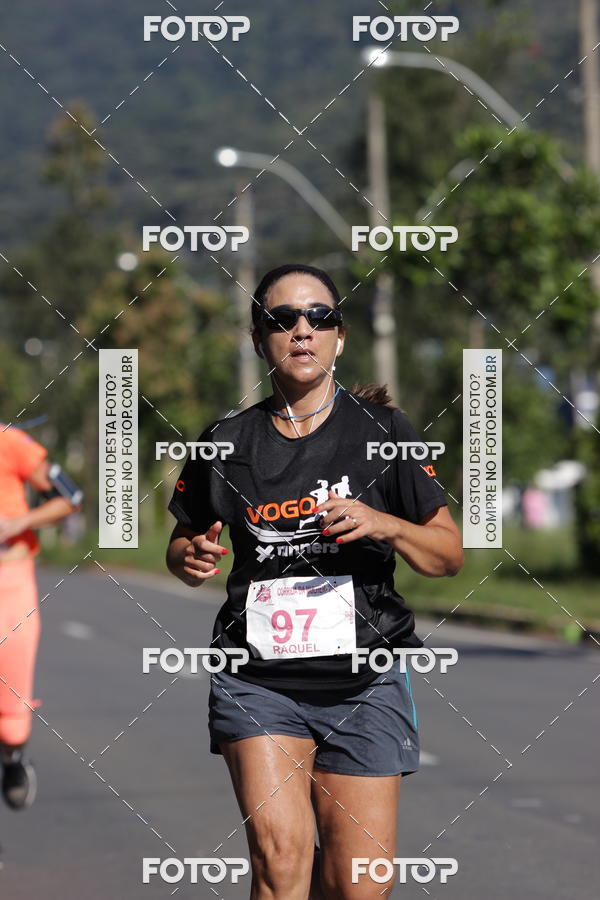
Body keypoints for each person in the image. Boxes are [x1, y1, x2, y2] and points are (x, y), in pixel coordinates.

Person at [166, 263, 464, 899]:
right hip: (259, 679)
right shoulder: (225, 441)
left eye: (319, 317)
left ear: (339, 337)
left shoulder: (385, 434)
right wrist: (187, 556)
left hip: (365, 678)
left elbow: (447, 555)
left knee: (358, 884)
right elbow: (185, 540)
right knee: (280, 859)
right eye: (283, 319)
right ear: (259, 339)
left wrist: (385, 523)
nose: (302, 330)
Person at [0, 424, 82, 809]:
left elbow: (70, 497)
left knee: (11, 713)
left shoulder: (9, 442)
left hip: (8, 585)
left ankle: (13, 757)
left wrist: (17, 523)